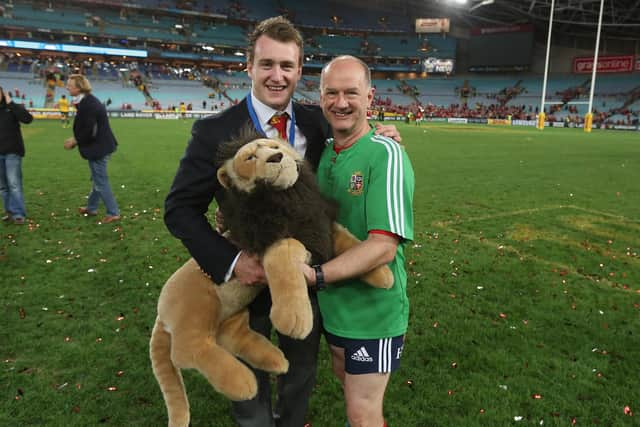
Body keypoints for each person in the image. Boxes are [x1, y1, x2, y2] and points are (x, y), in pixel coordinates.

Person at [164, 16, 401, 427]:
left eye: (287, 66)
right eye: (267, 64)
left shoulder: (316, 121)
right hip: (243, 285)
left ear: (299, 70)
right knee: (250, 392)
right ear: (250, 67)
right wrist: (235, 263)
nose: (277, 76)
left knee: (299, 376)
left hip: (303, 285)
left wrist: (383, 136)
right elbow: (179, 209)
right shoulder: (213, 132)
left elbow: (353, 132)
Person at [302, 56, 414, 427]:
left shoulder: (386, 153)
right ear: (321, 98)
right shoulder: (324, 154)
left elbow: (383, 246)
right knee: (350, 393)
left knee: (362, 411)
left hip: (373, 314)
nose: (341, 102)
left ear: (370, 97)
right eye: (331, 93)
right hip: (335, 309)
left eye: (351, 92)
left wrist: (316, 276)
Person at [63, 74, 120, 224]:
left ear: (78, 87)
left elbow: (90, 131)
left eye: (69, 85)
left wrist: (75, 140)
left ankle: (113, 212)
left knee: (100, 181)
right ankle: (91, 208)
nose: (67, 87)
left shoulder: (89, 104)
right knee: (97, 179)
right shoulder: (86, 101)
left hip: (99, 148)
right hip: (100, 146)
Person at [0, 85, 33, 225]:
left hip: (13, 151)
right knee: (3, 186)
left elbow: (27, 119)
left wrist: (11, 103)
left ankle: (18, 213)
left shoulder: (11, 108)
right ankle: (9, 211)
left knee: (14, 184)